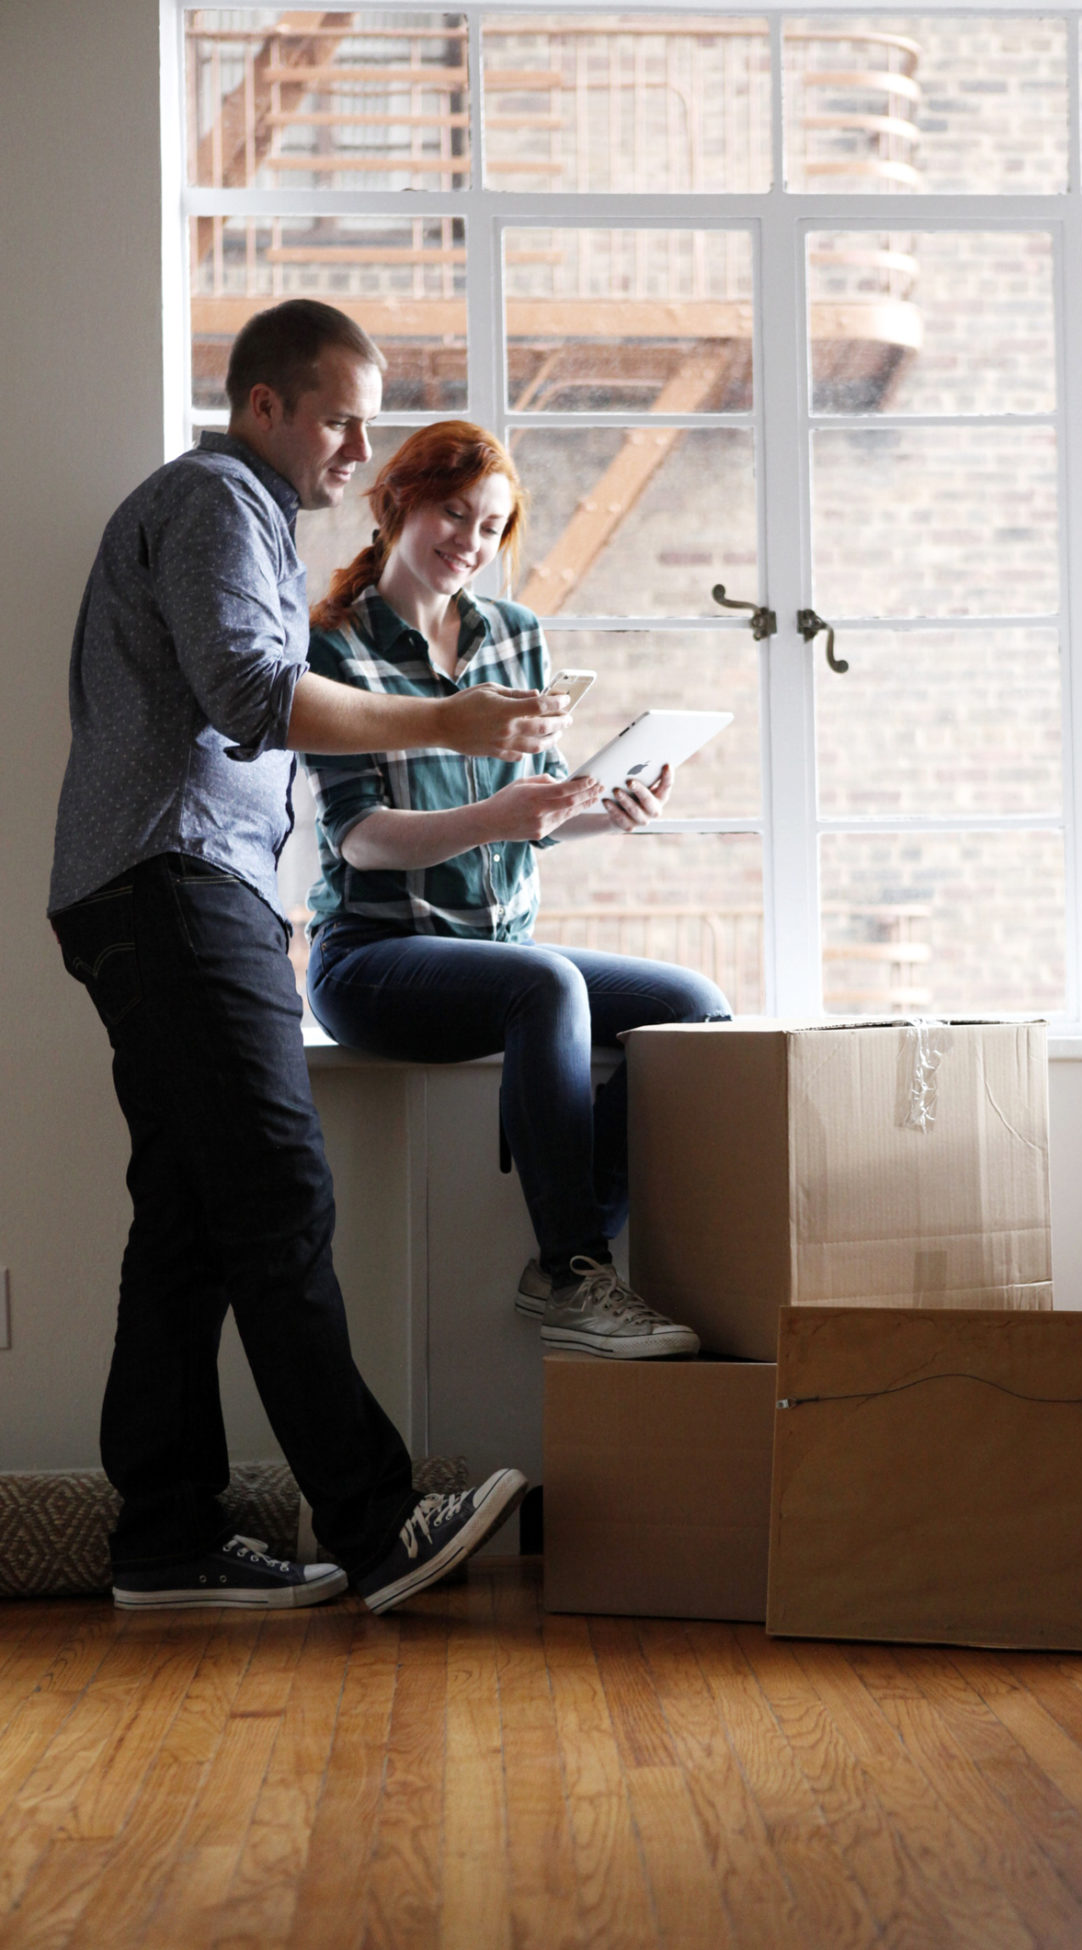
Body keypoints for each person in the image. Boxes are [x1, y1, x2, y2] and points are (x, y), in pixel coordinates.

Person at [47, 302, 570, 1614]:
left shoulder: (242, 518)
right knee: (280, 1189)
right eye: (341, 415)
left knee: (189, 1219)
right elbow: (250, 695)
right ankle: (380, 1521)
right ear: (266, 406)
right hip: (171, 881)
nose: (359, 444)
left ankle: (164, 1534)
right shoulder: (221, 497)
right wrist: (449, 713)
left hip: (166, 885)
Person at [303, 421, 731, 1358]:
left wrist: (604, 807)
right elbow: (361, 842)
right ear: (397, 505)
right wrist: (502, 819)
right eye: (453, 512)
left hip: (493, 957)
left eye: (492, 525)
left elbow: (539, 809)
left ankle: (573, 1260)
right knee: (547, 986)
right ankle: (575, 1266)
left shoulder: (516, 636)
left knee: (695, 1007)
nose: (470, 539)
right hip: (373, 960)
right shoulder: (332, 649)